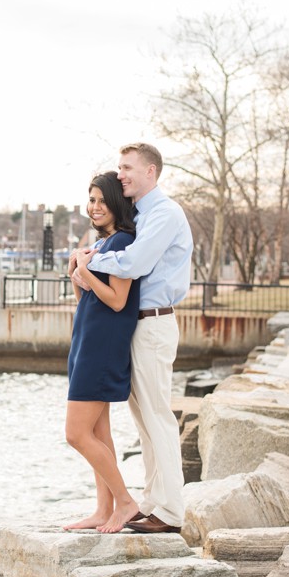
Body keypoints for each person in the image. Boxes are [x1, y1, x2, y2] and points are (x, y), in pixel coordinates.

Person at [76, 142, 193, 534]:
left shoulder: (163, 214)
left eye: (127, 168)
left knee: (158, 417)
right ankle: (154, 502)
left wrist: (90, 260)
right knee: (144, 421)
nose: (121, 174)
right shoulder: (141, 216)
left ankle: (172, 512)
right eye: (119, 168)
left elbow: (136, 263)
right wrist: (96, 253)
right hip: (138, 325)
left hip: (154, 323)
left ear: (151, 172)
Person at [63, 171, 142, 534]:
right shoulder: (104, 243)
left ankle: (125, 502)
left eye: (101, 200)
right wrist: (76, 276)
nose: (94, 207)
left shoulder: (125, 241)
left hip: (103, 348)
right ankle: (103, 508)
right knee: (99, 432)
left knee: (76, 434)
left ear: (116, 202)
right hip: (87, 340)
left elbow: (117, 300)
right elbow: (90, 299)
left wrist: (85, 269)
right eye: (90, 199)